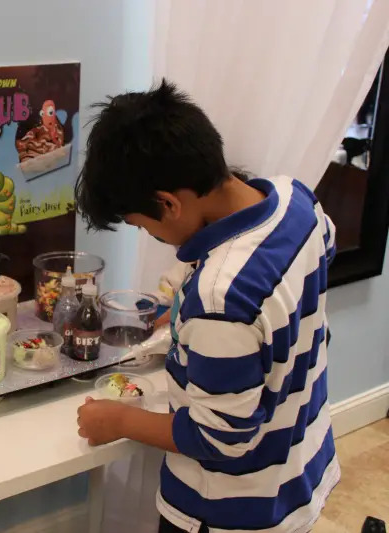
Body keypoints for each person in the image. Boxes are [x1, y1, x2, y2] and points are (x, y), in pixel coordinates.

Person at [75, 81, 339, 533]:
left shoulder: (221, 300)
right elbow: (316, 255)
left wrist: (119, 419)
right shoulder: (295, 200)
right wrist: (189, 309)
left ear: (168, 204)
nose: (149, 236)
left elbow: (220, 436)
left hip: (228, 509)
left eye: (143, 226)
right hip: (299, 468)